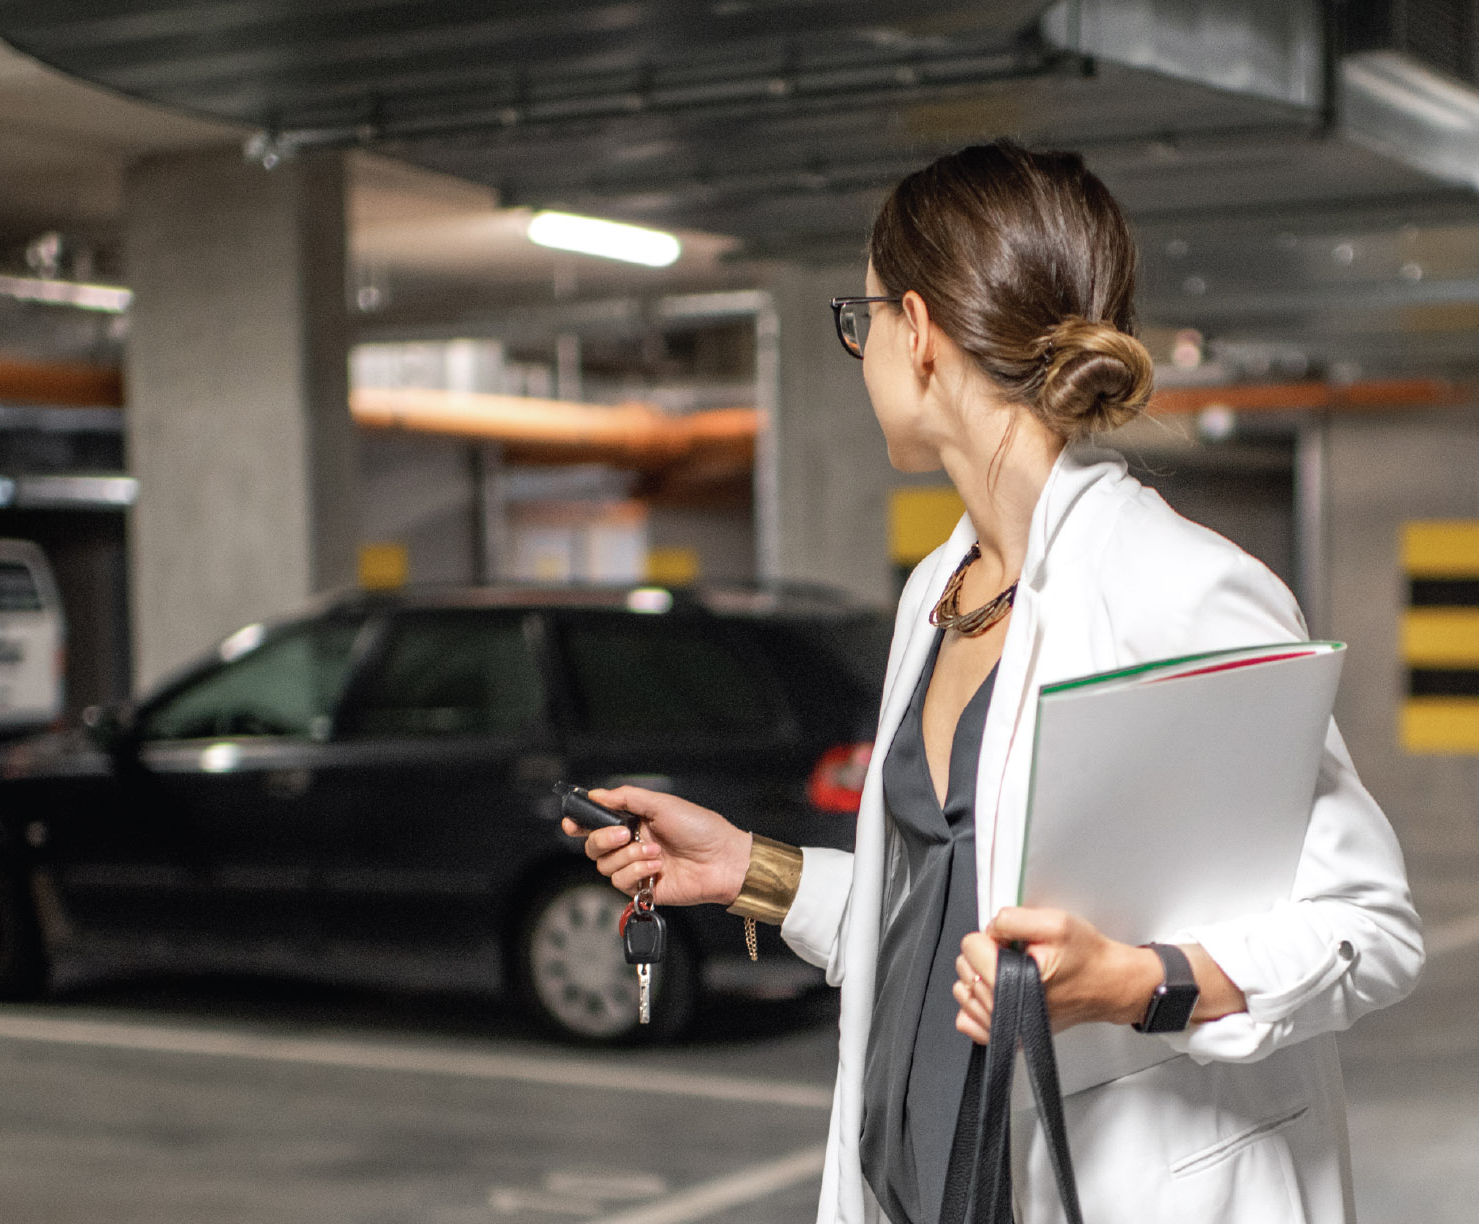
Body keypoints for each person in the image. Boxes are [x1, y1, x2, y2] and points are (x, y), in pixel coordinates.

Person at [564, 140, 1422, 1224]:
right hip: (923, 1185)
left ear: (915, 333)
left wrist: (1138, 981)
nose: (861, 345)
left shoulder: (1181, 588)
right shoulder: (941, 584)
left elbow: (1368, 925)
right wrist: (750, 869)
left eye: (862, 317)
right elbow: (945, 909)